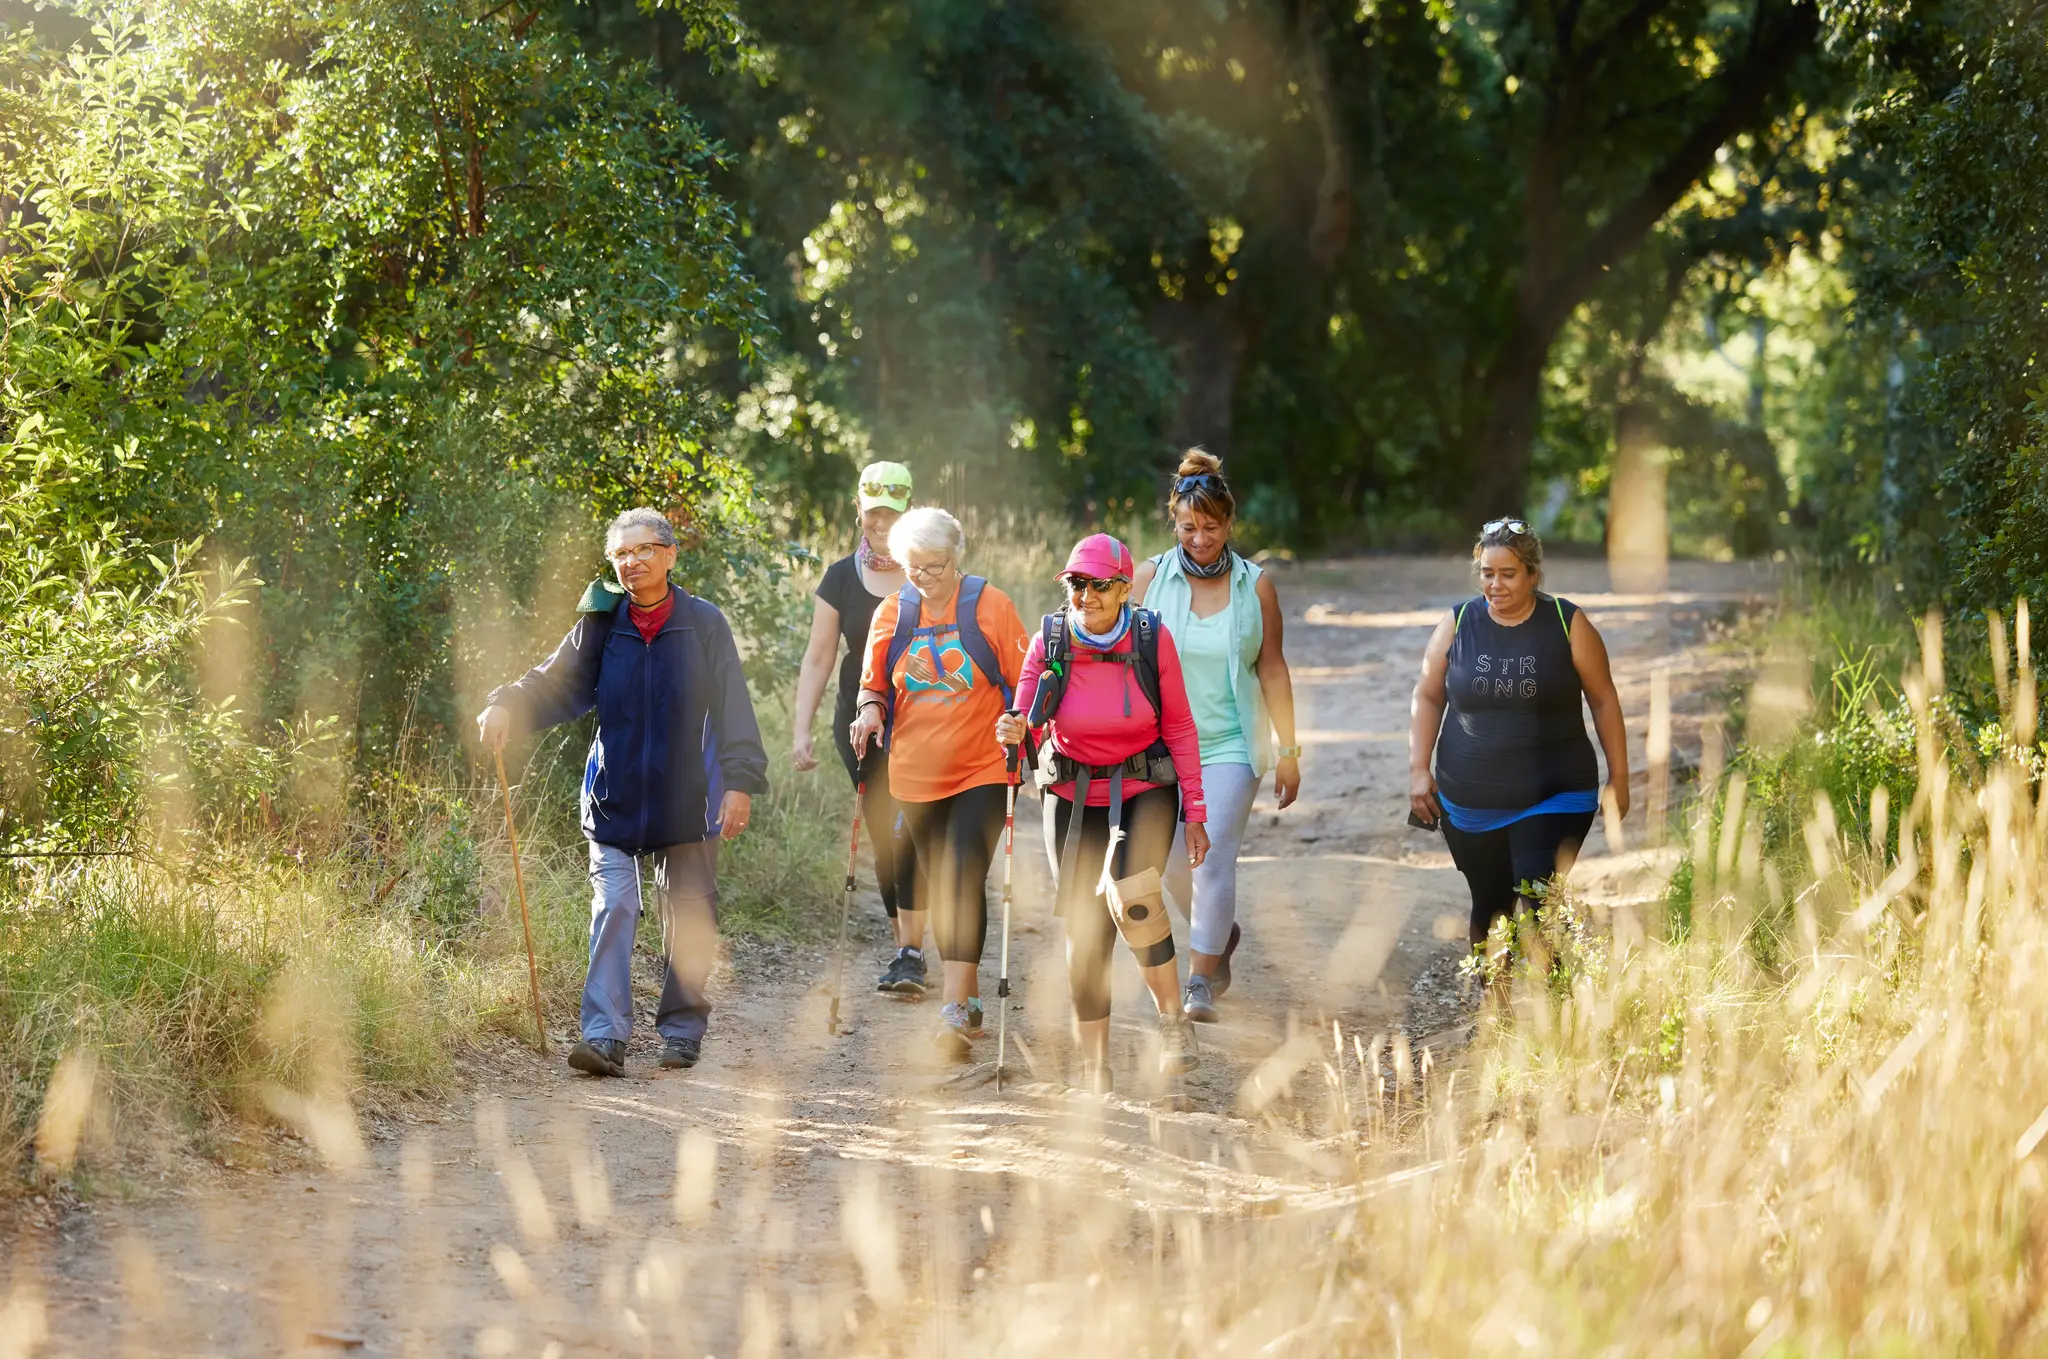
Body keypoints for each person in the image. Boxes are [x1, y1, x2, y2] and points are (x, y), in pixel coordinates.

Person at [476, 508, 768, 1078]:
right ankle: (604, 1036)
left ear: (669, 554)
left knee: (687, 912)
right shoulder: (603, 623)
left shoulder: (704, 623)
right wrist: (506, 701)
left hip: (689, 797)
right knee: (615, 904)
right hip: (613, 792)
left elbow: (735, 707)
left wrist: (740, 783)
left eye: (642, 551)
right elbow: (555, 679)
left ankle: (682, 1031)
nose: (631, 563)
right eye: (620, 555)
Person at [998, 534, 1210, 1093]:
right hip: (1071, 791)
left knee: (1135, 896)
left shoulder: (1150, 638)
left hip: (1145, 783)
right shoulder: (1050, 639)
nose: (1085, 595)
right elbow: (1023, 710)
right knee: (1087, 929)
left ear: (1122, 588)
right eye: (1075, 584)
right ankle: (1095, 1065)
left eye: (1097, 585)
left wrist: (1196, 811)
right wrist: (1014, 729)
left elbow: (1181, 726)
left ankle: (1172, 1025)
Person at [848, 507, 1028, 1059]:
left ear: (958, 556)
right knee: (944, 885)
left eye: (935, 566)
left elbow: (1028, 682)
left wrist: (1020, 720)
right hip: (914, 775)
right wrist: (870, 712)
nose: (925, 577)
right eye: (914, 568)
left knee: (959, 874)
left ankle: (952, 1011)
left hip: (982, 767)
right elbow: (873, 685)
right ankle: (969, 1003)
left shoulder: (991, 606)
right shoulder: (891, 614)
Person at [1131, 450, 1301, 1024]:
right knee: (1170, 862)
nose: (1199, 538)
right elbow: (1112, 651)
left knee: (1211, 857)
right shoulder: (1149, 579)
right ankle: (1218, 933)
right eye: (1188, 526)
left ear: (1229, 525)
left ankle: (1199, 981)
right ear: (1173, 523)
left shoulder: (1257, 587)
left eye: (1210, 527)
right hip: (1158, 746)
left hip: (1231, 742)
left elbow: (1272, 667)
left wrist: (1289, 751)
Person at [1406, 517, 1630, 950]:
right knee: (1490, 906)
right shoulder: (1458, 623)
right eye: (1487, 574)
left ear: (1533, 574)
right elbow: (1428, 695)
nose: (1495, 585)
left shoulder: (1567, 623)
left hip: (1554, 794)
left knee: (1539, 895)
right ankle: (1498, 1011)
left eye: (1508, 574)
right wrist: (1418, 768)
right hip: (1468, 803)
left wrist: (1620, 777)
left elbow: (1603, 699)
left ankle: (1560, 1008)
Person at [792, 460, 928, 997]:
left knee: (916, 831)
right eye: (873, 512)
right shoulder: (840, 577)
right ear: (858, 509)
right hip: (861, 728)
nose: (880, 523)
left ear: (908, 513)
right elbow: (818, 657)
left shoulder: (929, 572)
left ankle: (916, 946)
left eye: (892, 514)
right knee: (888, 835)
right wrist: (800, 731)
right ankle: (908, 952)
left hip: (928, 725)